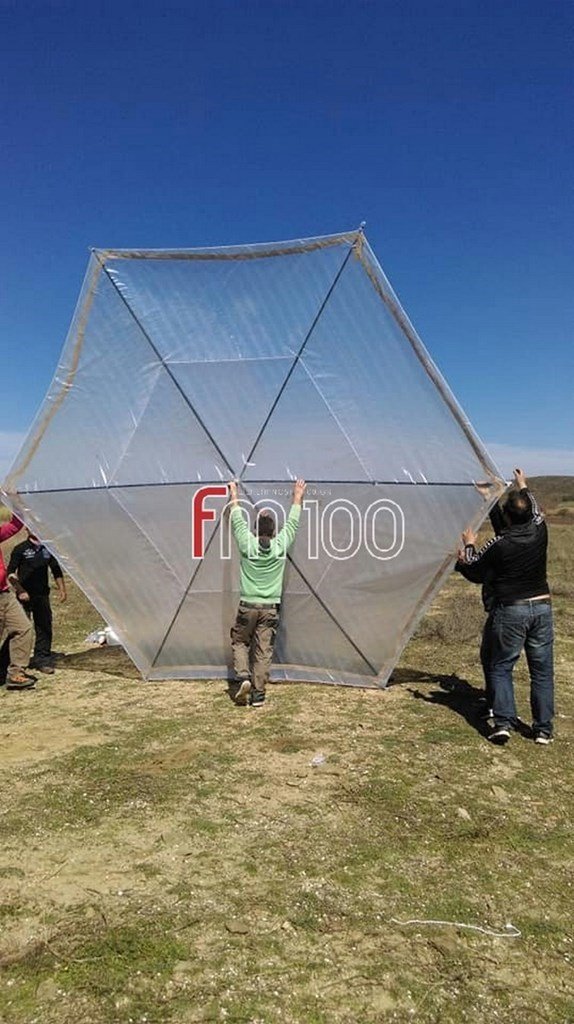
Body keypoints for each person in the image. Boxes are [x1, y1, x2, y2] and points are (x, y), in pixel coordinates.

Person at [456, 469, 554, 746]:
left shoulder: (499, 544)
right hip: (542, 608)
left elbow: (475, 570)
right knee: (542, 671)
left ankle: (502, 723)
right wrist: (519, 486)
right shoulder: (539, 528)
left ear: (509, 517)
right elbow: (531, 505)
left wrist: (470, 546)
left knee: (500, 666)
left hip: (511, 610)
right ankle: (543, 729)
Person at [228, 478, 306, 707]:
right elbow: (293, 522)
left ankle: (243, 676)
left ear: (256, 530)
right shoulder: (280, 545)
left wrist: (234, 493)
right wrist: (297, 496)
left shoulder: (247, 544)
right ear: (273, 532)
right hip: (270, 608)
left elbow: (236, 518)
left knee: (240, 641)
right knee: (263, 651)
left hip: (247, 605)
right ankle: (258, 695)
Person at [7, 531, 67, 674]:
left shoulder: (47, 548)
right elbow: (10, 573)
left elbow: (56, 570)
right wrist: (20, 590)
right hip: (24, 596)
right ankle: (16, 662)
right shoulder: (20, 549)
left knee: (44, 626)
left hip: (42, 595)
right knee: (21, 629)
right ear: (27, 530)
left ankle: (42, 659)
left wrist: (62, 589)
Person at [0, 512, 35, 690]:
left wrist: (16, 504)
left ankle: (15, 674)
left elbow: (14, 526)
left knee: (23, 628)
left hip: (5, 594)